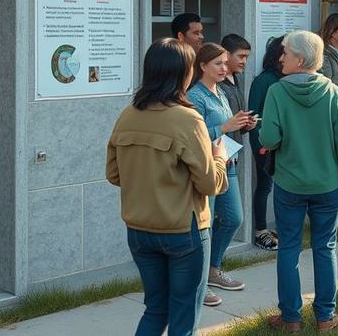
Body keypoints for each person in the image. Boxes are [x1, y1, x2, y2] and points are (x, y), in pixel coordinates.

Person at [106, 38, 229, 336]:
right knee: (184, 315)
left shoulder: (128, 114)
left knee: (156, 309)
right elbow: (211, 183)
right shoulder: (188, 119)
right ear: (184, 73)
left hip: (139, 229)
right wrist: (220, 158)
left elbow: (113, 174)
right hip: (183, 231)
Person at [259, 30, 338, 333]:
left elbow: (269, 139)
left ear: (300, 58)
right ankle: (326, 317)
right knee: (325, 248)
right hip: (327, 185)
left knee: (288, 249)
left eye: (285, 52)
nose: (280, 57)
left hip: (290, 185)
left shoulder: (276, 91)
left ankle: (290, 318)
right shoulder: (332, 92)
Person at [187, 43, 257, 307]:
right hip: (208, 168)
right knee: (203, 228)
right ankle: (198, 284)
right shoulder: (195, 96)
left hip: (228, 162)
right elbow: (192, 137)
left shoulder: (222, 91)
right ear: (203, 65)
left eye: (226, 63)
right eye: (219, 63)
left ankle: (213, 269)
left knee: (233, 218)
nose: (224, 68)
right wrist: (225, 126)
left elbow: (226, 127)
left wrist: (243, 123)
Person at [247, 36, 285, 252]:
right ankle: (260, 230)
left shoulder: (288, 79)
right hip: (266, 144)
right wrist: (263, 145)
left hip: (286, 145)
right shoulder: (264, 80)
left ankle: (280, 228)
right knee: (265, 184)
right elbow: (254, 117)